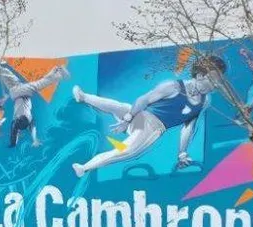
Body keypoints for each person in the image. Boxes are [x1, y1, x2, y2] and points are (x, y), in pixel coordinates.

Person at [70, 56, 225, 177]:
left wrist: (182, 153)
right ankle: (84, 167)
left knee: (119, 108)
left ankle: (84, 98)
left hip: (152, 125)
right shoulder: (173, 86)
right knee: (127, 148)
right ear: (200, 75)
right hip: (147, 122)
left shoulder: (204, 101)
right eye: (213, 80)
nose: (215, 86)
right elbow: (144, 100)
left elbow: (188, 128)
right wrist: (127, 120)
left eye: (218, 82)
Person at [0, 63, 70, 148]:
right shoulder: (22, 119)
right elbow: (24, 129)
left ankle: (59, 75)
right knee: (4, 72)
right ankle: (55, 71)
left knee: (40, 84)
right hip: (15, 90)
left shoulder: (26, 119)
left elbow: (20, 128)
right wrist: (33, 140)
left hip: (20, 92)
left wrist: (14, 142)